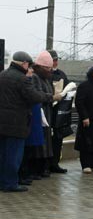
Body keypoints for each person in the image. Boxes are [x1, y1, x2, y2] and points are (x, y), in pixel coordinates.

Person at [0, 51, 60, 192]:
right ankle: (10, 184)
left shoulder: (2, 75)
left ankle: (2, 182)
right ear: (25, 64)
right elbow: (33, 96)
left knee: (2, 154)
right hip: (17, 124)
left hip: (2, 123)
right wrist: (52, 97)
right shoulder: (22, 79)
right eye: (29, 65)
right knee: (13, 156)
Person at [24, 51, 56, 179]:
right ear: (41, 67)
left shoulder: (45, 78)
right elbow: (37, 95)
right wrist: (52, 97)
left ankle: (42, 168)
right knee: (39, 143)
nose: (50, 70)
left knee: (44, 142)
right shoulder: (36, 78)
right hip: (39, 115)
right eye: (47, 68)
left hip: (46, 114)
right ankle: (36, 169)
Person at [48, 49, 70, 174]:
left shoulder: (62, 74)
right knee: (47, 140)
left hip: (59, 112)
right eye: (53, 60)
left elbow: (67, 89)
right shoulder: (43, 74)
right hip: (48, 110)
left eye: (56, 60)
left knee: (58, 139)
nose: (55, 63)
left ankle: (55, 163)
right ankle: (46, 165)